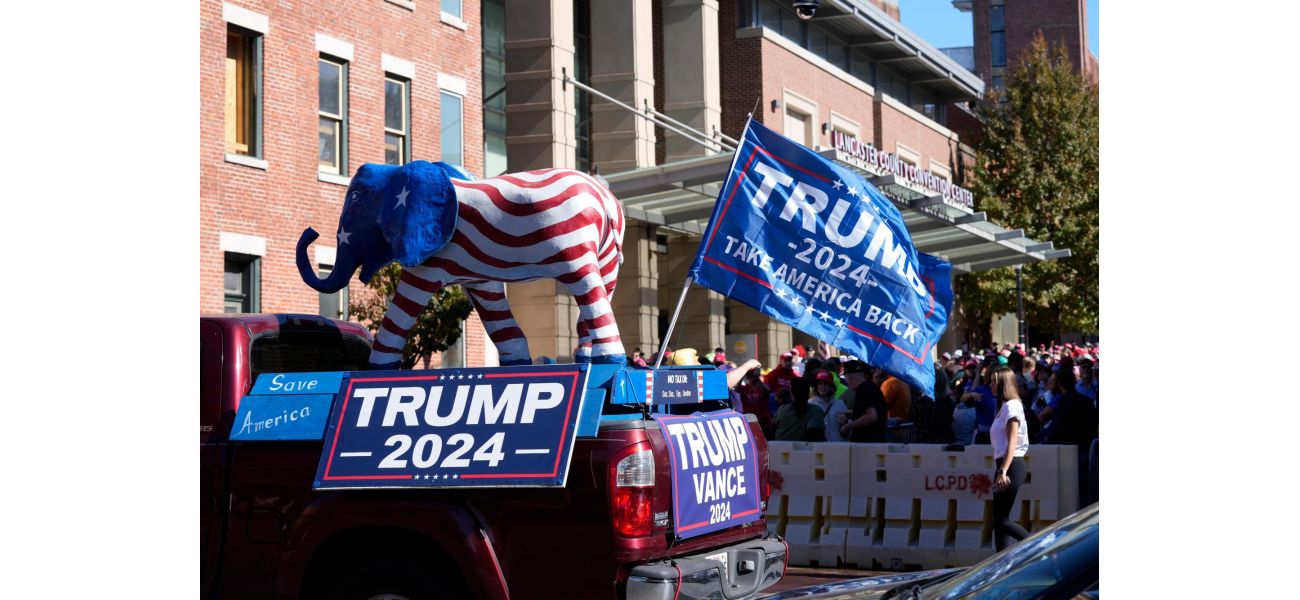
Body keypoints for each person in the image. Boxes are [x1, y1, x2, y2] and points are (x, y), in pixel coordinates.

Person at [989, 366, 1031, 551]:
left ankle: (1040, 547)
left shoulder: (1011, 406)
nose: (990, 385)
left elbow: (1012, 443)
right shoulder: (1004, 407)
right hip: (1004, 465)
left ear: (1002, 384)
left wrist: (1003, 471)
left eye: (993, 382)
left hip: (1011, 466)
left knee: (1002, 520)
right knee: (998, 521)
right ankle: (1000, 565)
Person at [840, 361, 887, 443]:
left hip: (867, 442)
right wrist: (850, 413)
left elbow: (871, 416)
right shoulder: (871, 386)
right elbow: (869, 410)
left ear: (850, 376)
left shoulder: (863, 388)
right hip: (877, 440)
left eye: (846, 376)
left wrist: (847, 427)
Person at [734, 361, 773, 439]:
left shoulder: (762, 388)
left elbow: (768, 391)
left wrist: (758, 379)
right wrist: (742, 376)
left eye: (755, 376)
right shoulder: (745, 388)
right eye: (751, 376)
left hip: (762, 420)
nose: (753, 378)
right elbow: (737, 390)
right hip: (749, 420)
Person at [810, 370, 850, 442]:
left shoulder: (840, 404)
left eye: (826, 384)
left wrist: (844, 423)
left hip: (838, 446)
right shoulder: (811, 404)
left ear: (831, 386)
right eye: (820, 384)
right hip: (820, 447)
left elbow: (847, 431)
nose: (823, 387)